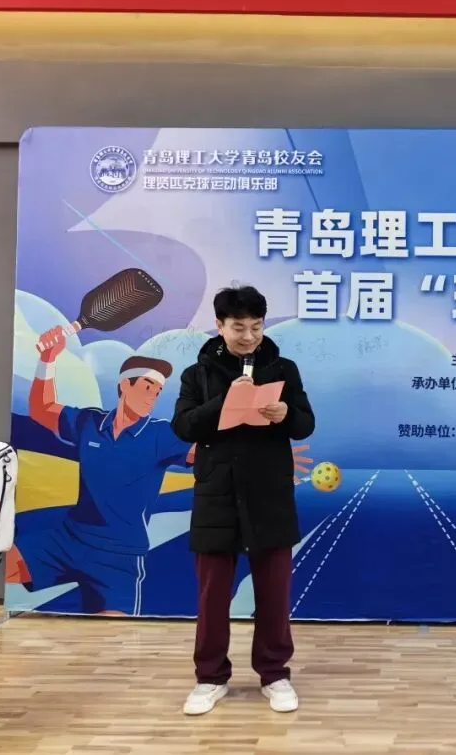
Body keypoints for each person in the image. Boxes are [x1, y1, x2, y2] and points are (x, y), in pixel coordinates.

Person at [172, 285, 315, 716]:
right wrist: (225, 401)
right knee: (212, 595)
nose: (249, 336)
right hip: (217, 495)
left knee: (273, 592)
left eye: (256, 326)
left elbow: (305, 423)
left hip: (269, 492)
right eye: (239, 327)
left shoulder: (284, 368)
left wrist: (285, 414)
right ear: (219, 326)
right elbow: (183, 426)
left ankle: (274, 674)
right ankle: (210, 677)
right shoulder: (197, 374)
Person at [10, 338, 195, 615]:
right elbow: (41, 408)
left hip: (119, 556)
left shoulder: (162, 434)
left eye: (158, 392)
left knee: (114, 633)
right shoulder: (89, 422)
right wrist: (47, 359)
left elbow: (208, 454)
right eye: (147, 387)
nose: (152, 396)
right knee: (4, 565)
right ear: (125, 385)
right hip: (68, 539)